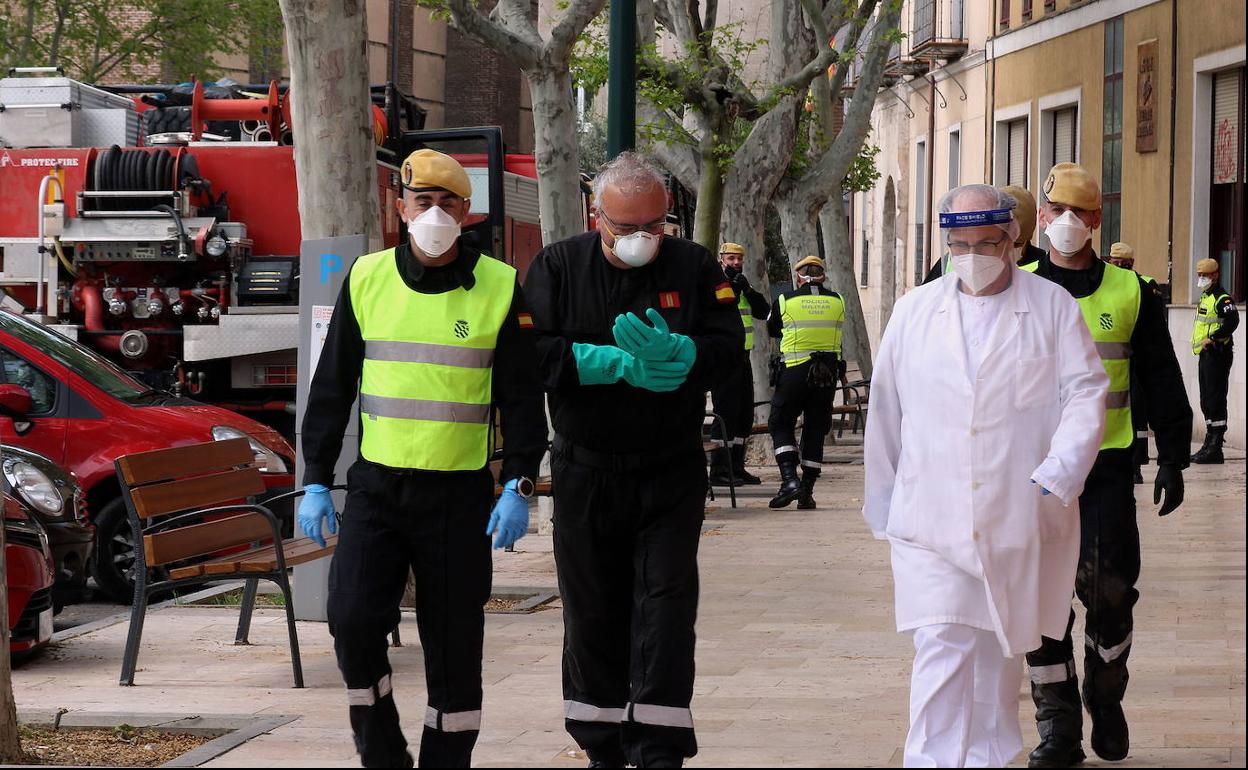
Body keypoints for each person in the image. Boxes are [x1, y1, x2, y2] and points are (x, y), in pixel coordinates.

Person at [297, 149, 548, 768]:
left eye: (448, 203)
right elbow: (331, 387)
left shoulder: (499, 285)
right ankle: (382, 751)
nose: (435, 213)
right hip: (378, 491)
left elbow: (521, 397)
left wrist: (519, 482)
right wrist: (316, 479)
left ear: (466, 213)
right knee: (352, 619)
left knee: (455, 643)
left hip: (458, 498)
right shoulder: (367, 278)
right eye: (423, 201)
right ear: (402, 208)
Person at [864, 183, 1110, 768]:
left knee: (998, 656)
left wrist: (1061, 468)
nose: (972, 255)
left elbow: (1085, 393)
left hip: (1016, 513)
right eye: (960, 245)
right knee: (942, 641)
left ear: (1013, 240)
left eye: (986, 243)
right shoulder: (914, 311)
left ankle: (987, 758)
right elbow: (886, 411)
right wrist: (885, 503)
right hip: (929, 519)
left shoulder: (1052, 307)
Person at [523, 151, 742, 768]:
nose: (644, 237)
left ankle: (659, 747)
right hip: (585, 469)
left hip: (669, 468)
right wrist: (608, 364)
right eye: (628, 227)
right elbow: (528, 353)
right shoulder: (558, 266)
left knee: (665, 607)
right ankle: (602, 744)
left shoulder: (695, 266)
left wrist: (686, 353)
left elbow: (728, 346)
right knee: (591, 609)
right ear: (598, 218)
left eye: (655, 225)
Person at [1022, 162, 1192, 767]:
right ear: (1040, 216)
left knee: (1111, 593)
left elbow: (1161, 375)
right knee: (1039, 600)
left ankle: (1105, 696)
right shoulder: (1017, 287)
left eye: (1079, 212)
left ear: (1097, 219)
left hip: (1106, 467)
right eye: (1056, 211)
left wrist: (1173, 457)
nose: (1066, 222)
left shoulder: (1130, 291)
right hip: (1033, 474)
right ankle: (1058, 727)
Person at [765, 256, 844, 510]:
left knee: (780, 422)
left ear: (798, 277)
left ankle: (790, 480)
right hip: (827, 373)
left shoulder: (785, 300)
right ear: (823, 277)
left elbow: (773, 329)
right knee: (816, 428)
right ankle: (807, 492)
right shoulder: (838, 300)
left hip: (795, 371)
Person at [708, 242, 770, 487]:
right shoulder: (715, 283)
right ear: (721, 259)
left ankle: (737, 466)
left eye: (739, 259)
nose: (736, 263)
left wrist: (748, 290)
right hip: (723, 356)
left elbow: (763, 312)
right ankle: (719, 469)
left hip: (743, 356)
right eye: (731, 258)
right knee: (726, 412)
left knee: (744, 413)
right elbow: (714, 311)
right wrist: (731, 290)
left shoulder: (742, 283)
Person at [1105, 242, 1163, 482]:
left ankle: (1137, 464)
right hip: (1113, 361)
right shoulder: (1102, 285)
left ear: (1132, 264)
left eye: (1125, 265)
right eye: (1116, 264)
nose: (1120, 268)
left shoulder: (1145, 285)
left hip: (1137, 360)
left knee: (1138, 414)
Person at [923, 184, 1043, 283]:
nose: (1009, 248)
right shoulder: (950, 261)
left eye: (1016, 244)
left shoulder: (1043, 265)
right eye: (985, 243)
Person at [1190, 257, 1239, 464]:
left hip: (1218, 353)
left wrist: (1214, 337)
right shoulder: (1206, 297)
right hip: (1206, 354)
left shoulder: (1222, 298)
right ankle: (1209, 443)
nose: (1201, 278)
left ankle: (1216, 447)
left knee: (1216, 399)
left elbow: (1233, 321)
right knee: (1206, 400)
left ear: (1216, 275)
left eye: (1205, 275)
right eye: (1199, 275)